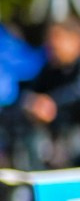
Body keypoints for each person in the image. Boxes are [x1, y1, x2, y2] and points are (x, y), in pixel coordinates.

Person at [20, 17, 80, 167]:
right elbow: (29, 93)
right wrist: (32, 104)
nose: (52, 45)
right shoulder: (50, 69)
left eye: (58, 39)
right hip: (57, 141)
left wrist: (52, 104)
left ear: (75, 40)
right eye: (50, 40)